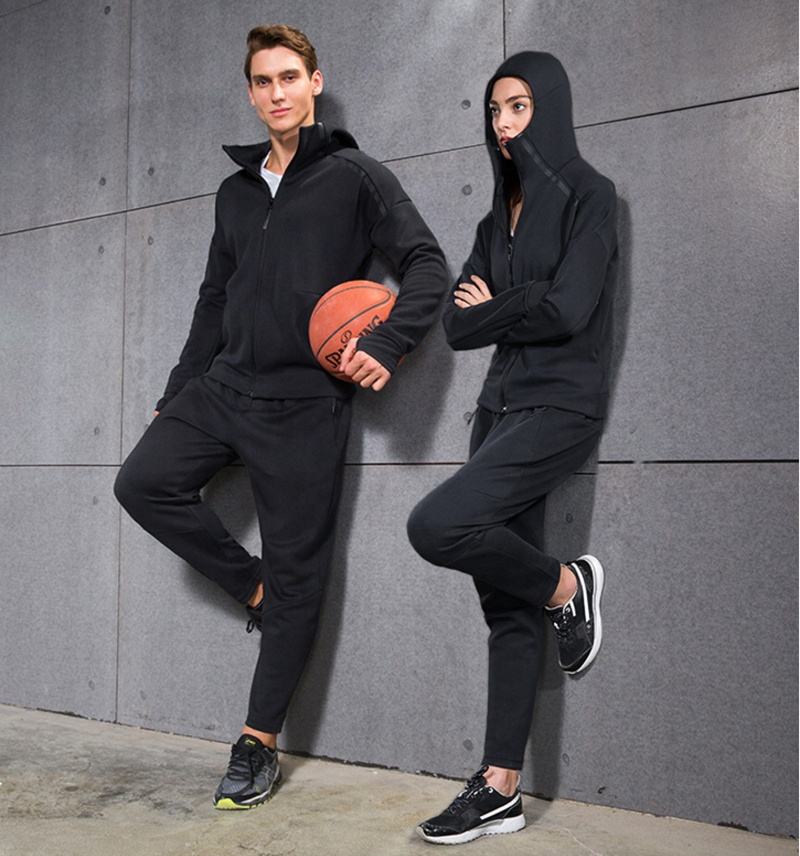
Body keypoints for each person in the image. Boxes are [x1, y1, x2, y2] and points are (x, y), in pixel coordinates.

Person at [114, 24, 447, 810]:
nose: (277, 92)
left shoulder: (356, 176)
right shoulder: (234, 192)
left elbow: (427, 264)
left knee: (303, 573)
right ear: (252, 93)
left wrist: (389, 342)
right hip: (224, 387)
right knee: (141, 483)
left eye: (289, 77)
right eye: (263, 81)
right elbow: (213, 297)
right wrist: (180, 385)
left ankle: (257, 743)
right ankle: (257, 592)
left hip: (305, 405)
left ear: (315, 82)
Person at [406, 51, 617, 845]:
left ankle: (566, 585)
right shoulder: (494, 221)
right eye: (495, 110)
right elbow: (458, 327)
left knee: (435, 526)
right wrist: (518, 303)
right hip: (496, 411)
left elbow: (569, 310)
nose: (503, 123)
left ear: (550, 107)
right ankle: (500, 789)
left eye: (519, 106)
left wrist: (506, 301)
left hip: (558, 407)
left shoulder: (592, 197)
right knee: (503, 604)